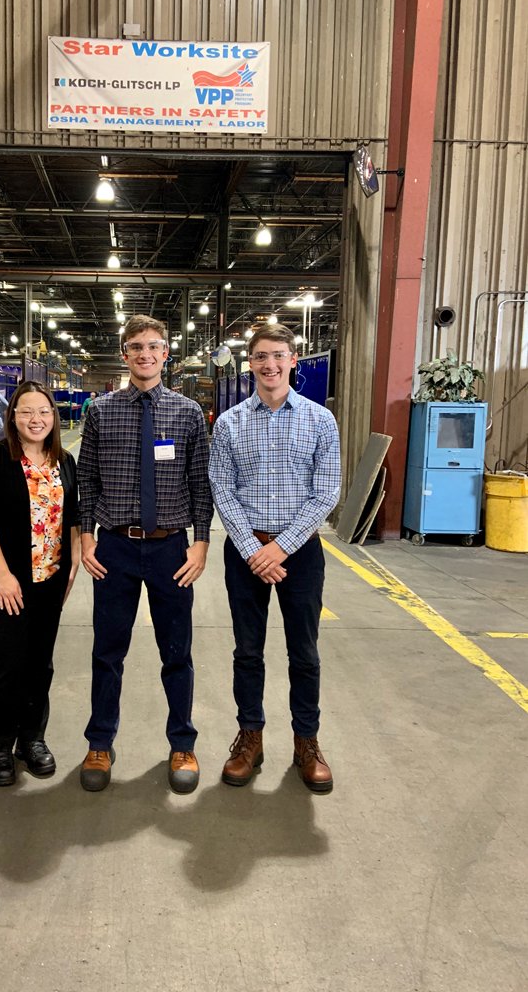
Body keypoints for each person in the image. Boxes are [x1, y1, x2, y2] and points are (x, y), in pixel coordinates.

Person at [77, 314, 213, 795]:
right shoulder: (100, 411)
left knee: (177, 652)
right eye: (136, 346)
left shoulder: (188, 413)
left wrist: (201, 541)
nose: (145, 354)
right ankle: (99, 742)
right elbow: (87, 479)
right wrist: (85, 536)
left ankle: (182, 743)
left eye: (154, 346)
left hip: (171, 550)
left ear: (166, 353)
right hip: (113, 546)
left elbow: (200, 484)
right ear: (124, 353)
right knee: (107, 651)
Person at [208, 323, 341, 793]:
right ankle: (251, 738)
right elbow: (222, 490)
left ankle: (307, 742)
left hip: (300, 553)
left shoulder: (321, 420)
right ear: (250, 363)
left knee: (304, 653)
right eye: (261, 356)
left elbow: (326, 493)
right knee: (248, 652)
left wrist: (280, 548)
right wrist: (252, 549)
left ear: (293, 359)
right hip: (246, 552)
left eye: (278, 355)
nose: (270, 364)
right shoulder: (229, 423)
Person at [0, 380, 80, 786]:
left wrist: (74, 564)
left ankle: (32, 739)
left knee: (40, 664)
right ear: (12, 417)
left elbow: (72, 517)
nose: (37, 420)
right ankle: (0, 744)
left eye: (44, 412)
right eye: (27, 412)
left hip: (50, 581)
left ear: (54, 417)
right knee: (7, 664)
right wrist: (1, 575)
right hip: (10, 583)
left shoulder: (64, 460)